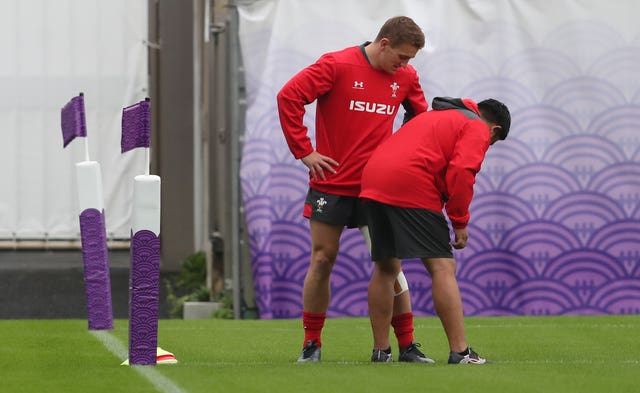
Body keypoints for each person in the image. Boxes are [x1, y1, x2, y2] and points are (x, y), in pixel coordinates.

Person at [277, 16, 433, 363]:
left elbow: (420, 120)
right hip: (331, 184)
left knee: (391, 264)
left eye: (410, 60)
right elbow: (288, 97)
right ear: (384, 44)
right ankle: (312, 344)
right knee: (322, 259)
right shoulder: (336, 65)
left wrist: (401, 157)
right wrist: (304, 151)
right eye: (402, 57)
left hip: (377, 187)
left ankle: (405, 345)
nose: (405, 66)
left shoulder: (405, 77)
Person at [360, 96, 511, 364]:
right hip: (410, 183)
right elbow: (462, 171)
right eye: (492, 143)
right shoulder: (476, 125)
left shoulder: (436, 116)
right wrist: (459, 221)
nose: (487, 145)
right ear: (495, 129)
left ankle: (381, 351)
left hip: (372, 180)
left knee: (386, 268)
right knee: (443, 267)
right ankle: (461, 352)